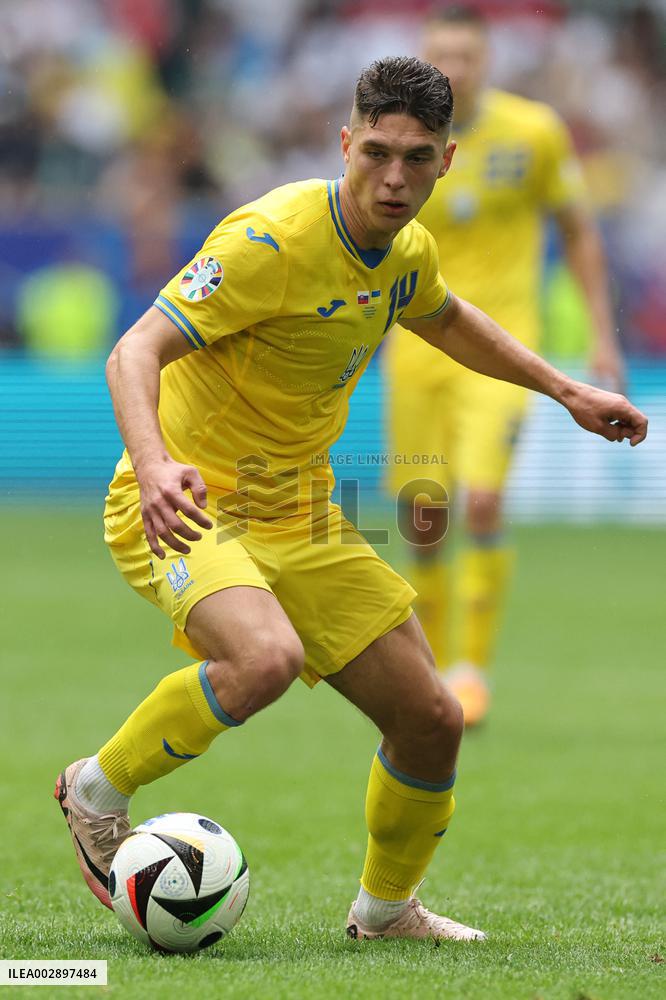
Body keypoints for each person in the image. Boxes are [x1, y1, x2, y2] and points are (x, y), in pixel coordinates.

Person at [55, 55, 646, 943]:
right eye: (376, 152)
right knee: (265, 661)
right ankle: (95, 790)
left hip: (300, 509)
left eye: (416, 157)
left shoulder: (407, 249)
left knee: (432, 718)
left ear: (448, 158)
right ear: (344, 142)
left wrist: (565, 390)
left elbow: (445, 317)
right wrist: (155, 465)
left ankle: (385, 911)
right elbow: (132, 352)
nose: (394, 177)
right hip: (185, 500)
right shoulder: (269, 241)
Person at [385, 6, 626, 726]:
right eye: (440, 54)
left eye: (465, 53)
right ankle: (432, 670)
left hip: (501, 349)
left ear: (488, 58)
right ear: (424, 60)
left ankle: (470, 671)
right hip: (416, 348)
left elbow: (578, 231)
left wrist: (602, 336)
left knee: (482, 499)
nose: (453, 67)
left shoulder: (534, 133)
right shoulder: (403, 139)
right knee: (423, 514)